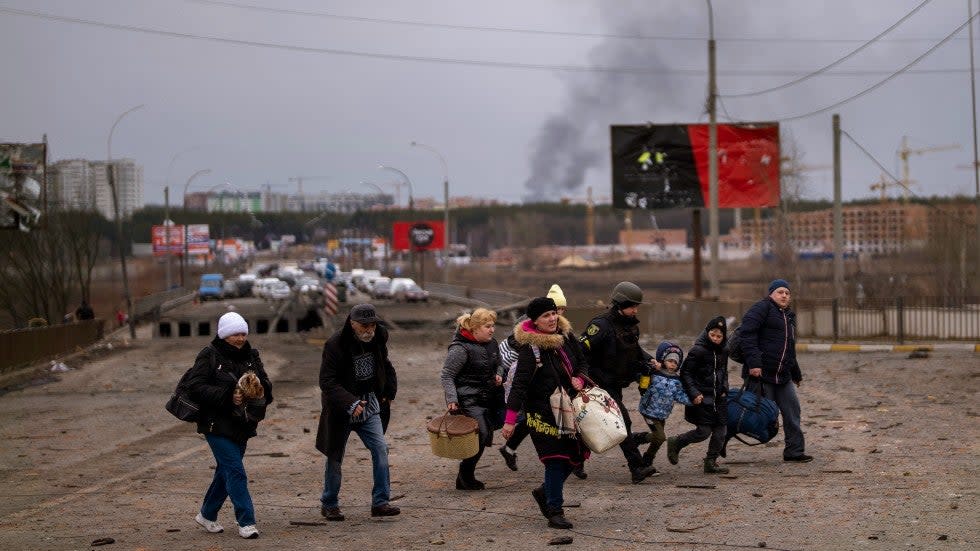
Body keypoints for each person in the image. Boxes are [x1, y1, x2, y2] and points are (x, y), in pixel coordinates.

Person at [501, 297, 589, 530]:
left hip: (569, 407)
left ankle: (545, 491)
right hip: (541, 413)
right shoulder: (530, 349)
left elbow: (582, 361)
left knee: (577, 455)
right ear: (535, 321)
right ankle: (554, 510)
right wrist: (510, 421)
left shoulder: (566, 336)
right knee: (555, 460)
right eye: (545, 316)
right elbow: (519, 385)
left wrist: (578, 377)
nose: (552, 319)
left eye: (553, 314)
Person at [185, 311, 273, 539]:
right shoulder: (209, 355)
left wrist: (259, 388)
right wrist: (228, 396)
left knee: (226, 472)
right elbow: (195, 386)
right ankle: (247, 522)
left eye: (243, 333)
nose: (241, 338)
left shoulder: (251, 355)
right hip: (215, 424)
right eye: (235, 334)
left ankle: (206, 514)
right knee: (236, 471)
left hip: (243, 425)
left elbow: (266, 385)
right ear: (224, 335)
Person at [315, 303, 401, 521]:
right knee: (335, 456)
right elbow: (327, 381)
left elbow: (385, 364)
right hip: (340, 409)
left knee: (381, 449)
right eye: (364, 326)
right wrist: (350, 403)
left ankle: (380, 502)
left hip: (370, 404)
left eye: (372, 324)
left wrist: (389, 391)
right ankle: (330, 503)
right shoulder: (335, 344)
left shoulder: (379, 337)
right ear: (352, 323)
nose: (368, 330)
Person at [578, 281, 659, 483]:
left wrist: (649, 359)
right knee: (622, 421)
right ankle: (637, 467)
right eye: (632, 306)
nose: (635, 310)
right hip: (599, 384)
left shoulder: (629, 325)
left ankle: (574, 461)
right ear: (621, 304)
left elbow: (634, 350)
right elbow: (581, 351)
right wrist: (583, 378)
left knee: (597, 424)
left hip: (615, 382)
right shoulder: (601, 325)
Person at [737, 279, 812, 463]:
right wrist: (754, 363)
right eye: (780, 292)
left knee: (793, 412)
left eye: (787, 293)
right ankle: (720, 441)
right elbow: (747, 335)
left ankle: (794, 452)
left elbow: (789, 349)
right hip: (762, 375)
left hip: (783, 377)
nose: (784, 295)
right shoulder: (761, 309)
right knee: (757, 415)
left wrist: (796, 374)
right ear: (771, 293)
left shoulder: (789, 317)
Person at [440, 308, 502, 490]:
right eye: (487, 326)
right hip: (468, 400)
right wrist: (452, 399)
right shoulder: (460, 349)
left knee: (484, 435)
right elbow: (447, 375)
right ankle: (465, 476)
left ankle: (464, 477)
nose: (492, 330)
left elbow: (499, 363)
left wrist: (499, 374)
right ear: (474, 329)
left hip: (488, 398)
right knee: (481, 435)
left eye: (493, 326)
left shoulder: (492, 343)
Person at [666, 316, 730, 474]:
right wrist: (694, 393)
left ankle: (711, 462)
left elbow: (723, 372)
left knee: (721, 431)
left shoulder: (724, 351)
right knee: (704, 432)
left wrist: (724, 388)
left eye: (719, 336)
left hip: (718, 398)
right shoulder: (698, 351)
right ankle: (677, 442)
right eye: (713, 335)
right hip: (702, 398)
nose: (715, 339)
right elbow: (686, 373)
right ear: (707, 333)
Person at [636, 341, 691, 471]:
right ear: (663, 360)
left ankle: (647, 462)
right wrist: (647, 372)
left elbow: (679, 395)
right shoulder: (654, 373)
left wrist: (693, 401)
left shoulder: (677, 380)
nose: (672, 364)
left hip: (662, 414)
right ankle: (638, 440)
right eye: (670, 360)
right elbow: (641, 377)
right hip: (648, 411)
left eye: (676, 362)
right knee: (660, 437)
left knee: (658, 440)